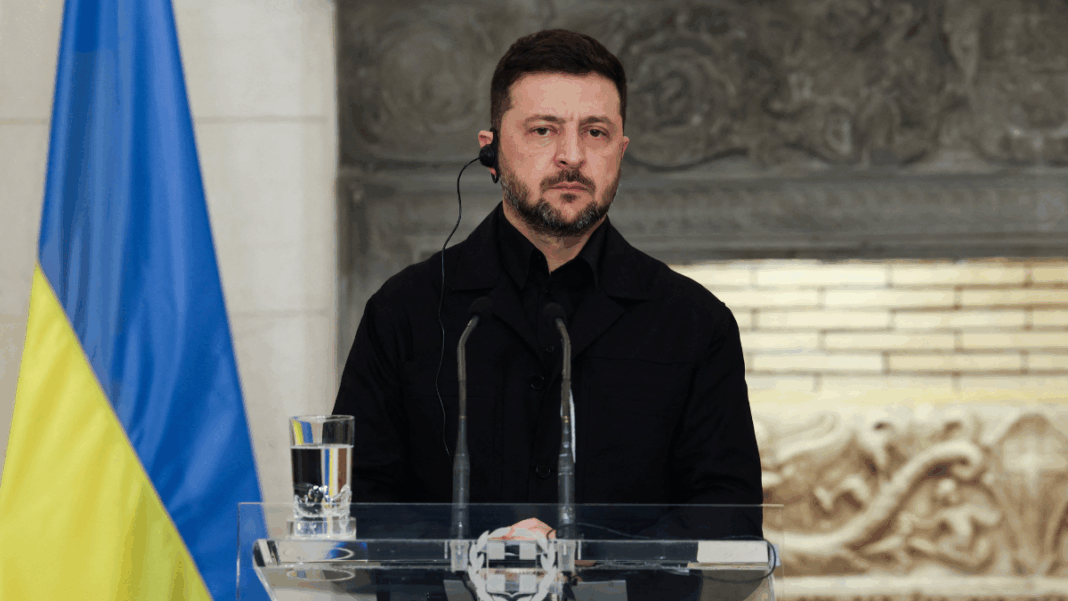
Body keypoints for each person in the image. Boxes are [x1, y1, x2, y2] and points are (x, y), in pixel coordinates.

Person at [333, 29, 762, 530]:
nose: (573, 156)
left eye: (595, 132)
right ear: (490, 151)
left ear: (621, 150)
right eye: (544, 130)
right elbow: (357, 500)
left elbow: (728, 510)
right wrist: (481, 559)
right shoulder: (404, 311)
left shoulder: (694, 322)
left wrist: (588, 558)